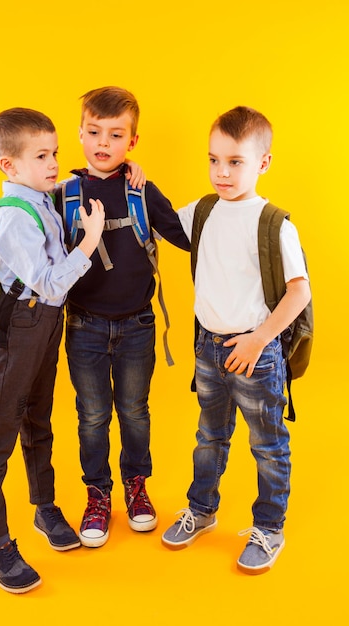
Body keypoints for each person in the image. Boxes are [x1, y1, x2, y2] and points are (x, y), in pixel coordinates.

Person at [161, 106, 311, 573]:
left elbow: (299, 291)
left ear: (262, 163)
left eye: (235, 162)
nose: (221, 172)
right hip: (208, 347)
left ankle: (269, 528)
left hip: (255, 353)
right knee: (209, 436)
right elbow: (162, 222)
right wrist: (133, 178)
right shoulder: (203, 210)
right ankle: (202, 511)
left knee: (267, 445)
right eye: (213, 160)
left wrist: (260, 339)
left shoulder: (274, 222)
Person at [0, 107, 105, 594]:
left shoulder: (40, 200)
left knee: (38, 420)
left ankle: (44, 506)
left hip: (47, 323)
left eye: (55, 153)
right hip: (21, 327)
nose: (54, 164)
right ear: (9, 166)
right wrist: (89, 243)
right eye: (41, 156)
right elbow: (49, 281)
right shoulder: (11, 218)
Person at [55, 86, 190, 548]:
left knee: (134, 412)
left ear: (132, 142)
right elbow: (30, 230)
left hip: (137, 327)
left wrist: (242, 219)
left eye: (115, 135)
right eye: (94, 132)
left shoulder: (141, 190)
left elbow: (183, 233)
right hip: (84, 326)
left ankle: (137, 486)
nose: (103, 143)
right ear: (80, 133)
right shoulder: (62, 194)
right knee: (91, 415)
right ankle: (97, 494)